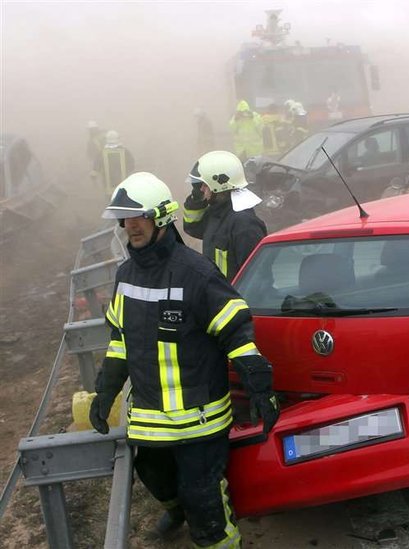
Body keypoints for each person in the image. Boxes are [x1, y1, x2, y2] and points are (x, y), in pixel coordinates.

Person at [89, 172, 279, 546]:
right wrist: (104, 393)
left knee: (205, 506)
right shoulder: (126, 275)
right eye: (124, 219)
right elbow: (119, 343)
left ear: (161, 218)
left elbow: (237, 334)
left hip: (200, 421)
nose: (130, 226)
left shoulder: (196, 274)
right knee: (154, 478)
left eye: (138, 217)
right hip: (150, 420)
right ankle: (177, 510)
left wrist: (260, 388)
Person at [183, 150, 267, 281]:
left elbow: (256, 277)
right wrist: (196, 199)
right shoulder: (217, 212)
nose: (201, 189)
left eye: (204, 185)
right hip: (218, 294)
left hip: (233, 298)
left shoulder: (244, 224)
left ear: (219, 184)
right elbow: (192, 227)